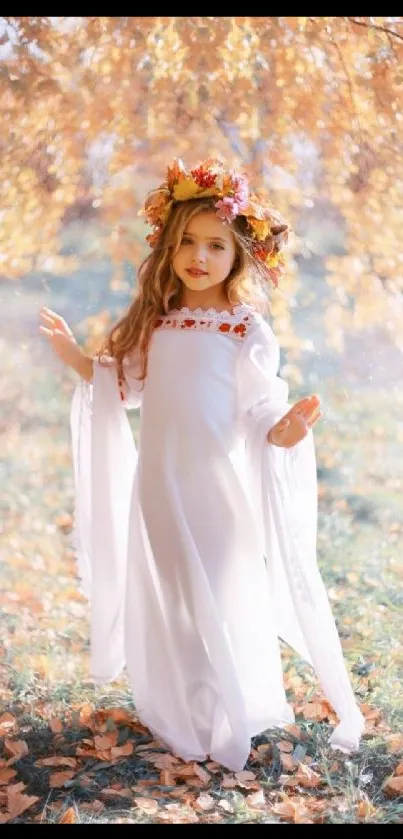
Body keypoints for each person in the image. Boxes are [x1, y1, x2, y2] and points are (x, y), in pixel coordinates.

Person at [39, 157, 365, 772]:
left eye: (215, 245)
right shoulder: (157, 323)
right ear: (166, 247)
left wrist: (287, 429)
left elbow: (261, 409)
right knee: (180, 597)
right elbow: (123, 389)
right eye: (186, 241)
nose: (199, 256)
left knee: (221, 585)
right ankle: (188, 709)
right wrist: (76, 357)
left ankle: (231, 707)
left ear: (239, 255)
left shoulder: (245, 328)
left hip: (217, 487)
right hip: (159, 488)